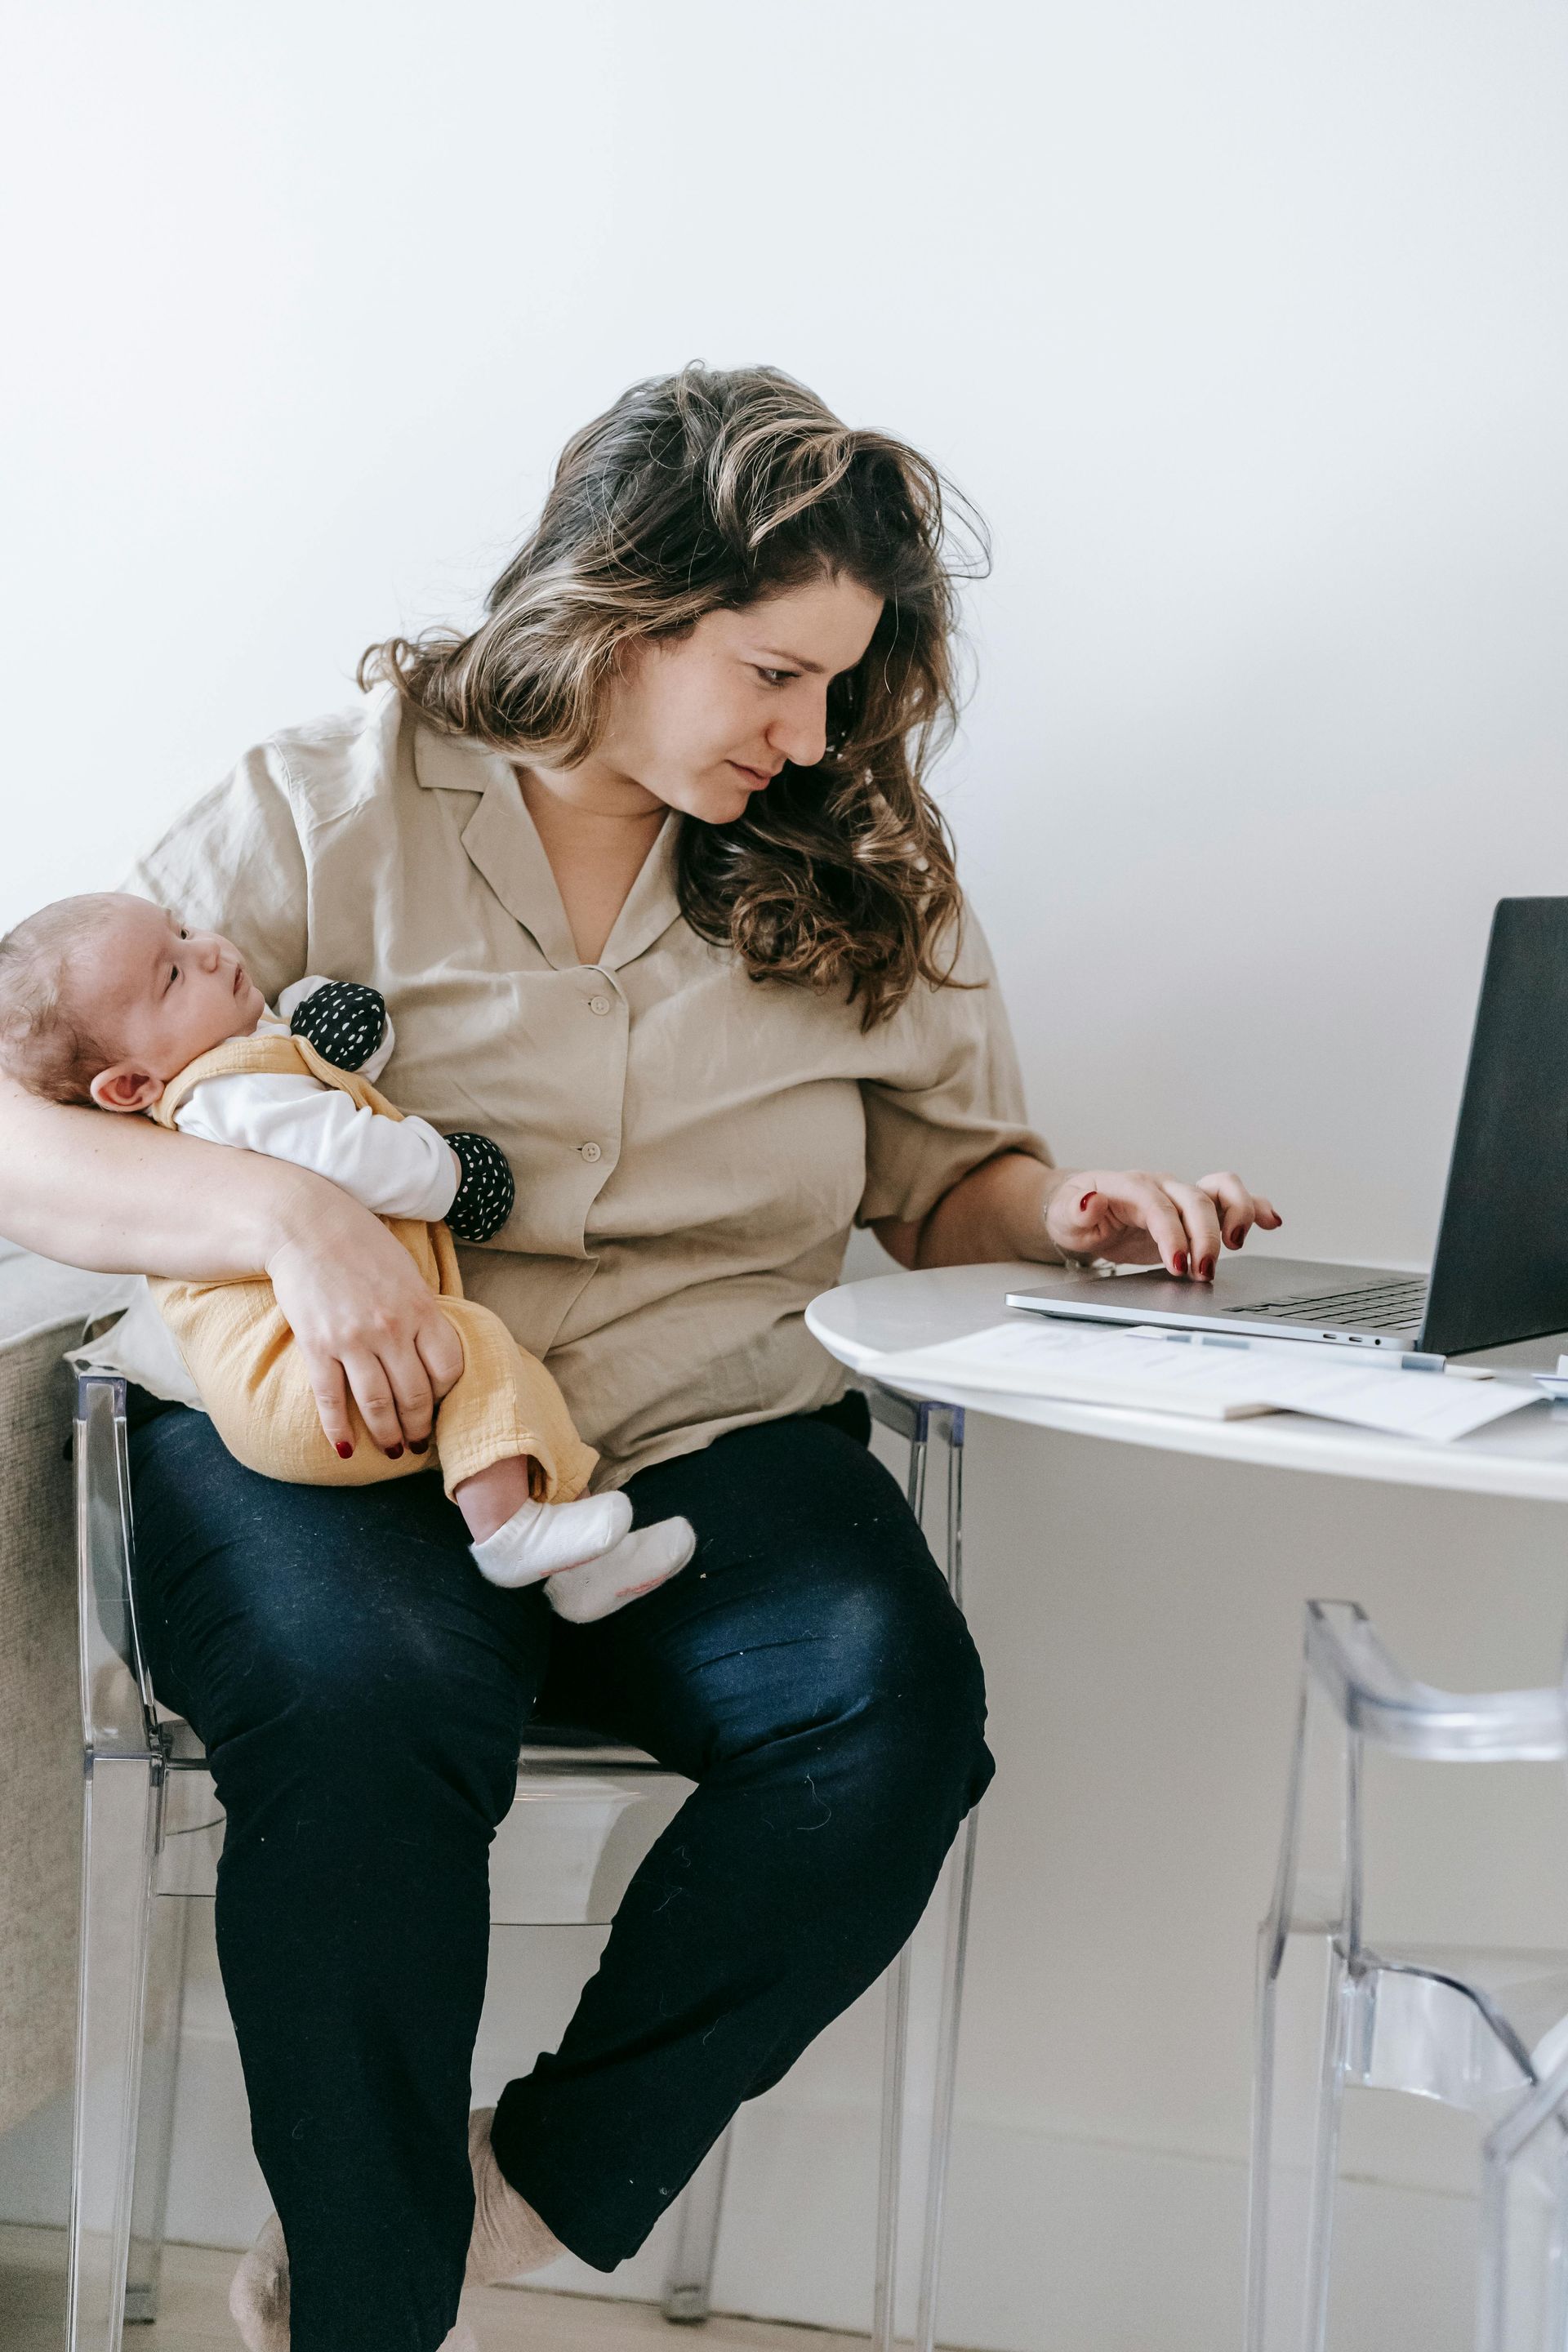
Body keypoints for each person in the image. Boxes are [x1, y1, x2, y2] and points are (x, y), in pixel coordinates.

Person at [0, 363, 1281, 2352]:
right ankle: (366, 2307)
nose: (813, 730)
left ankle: (516, 2189)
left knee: (892, 1721)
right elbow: (30, 1116)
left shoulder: (859, 854)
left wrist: (1067, 1209)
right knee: (358, 1700)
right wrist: (291, 1218)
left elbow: (948, 1183)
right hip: (343, 1440)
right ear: (618, 611)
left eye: (842, 682)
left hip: (700, 1430)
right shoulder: (316, 802)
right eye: (774, 673)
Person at [0, 902, 694, 1617]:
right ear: (130, 1088)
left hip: (303, 1389)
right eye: (173, 974)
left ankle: (576, 1570)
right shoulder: (226, 1095)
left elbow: (312, 1069)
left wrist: (317, 1016)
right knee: (480, 1351)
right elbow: (351, 1152)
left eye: (183, 929)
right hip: (299, 1383)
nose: (205, 950)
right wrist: (448, 1174)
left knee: (495, 1370)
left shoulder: (241, 1062)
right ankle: (510, 1533)